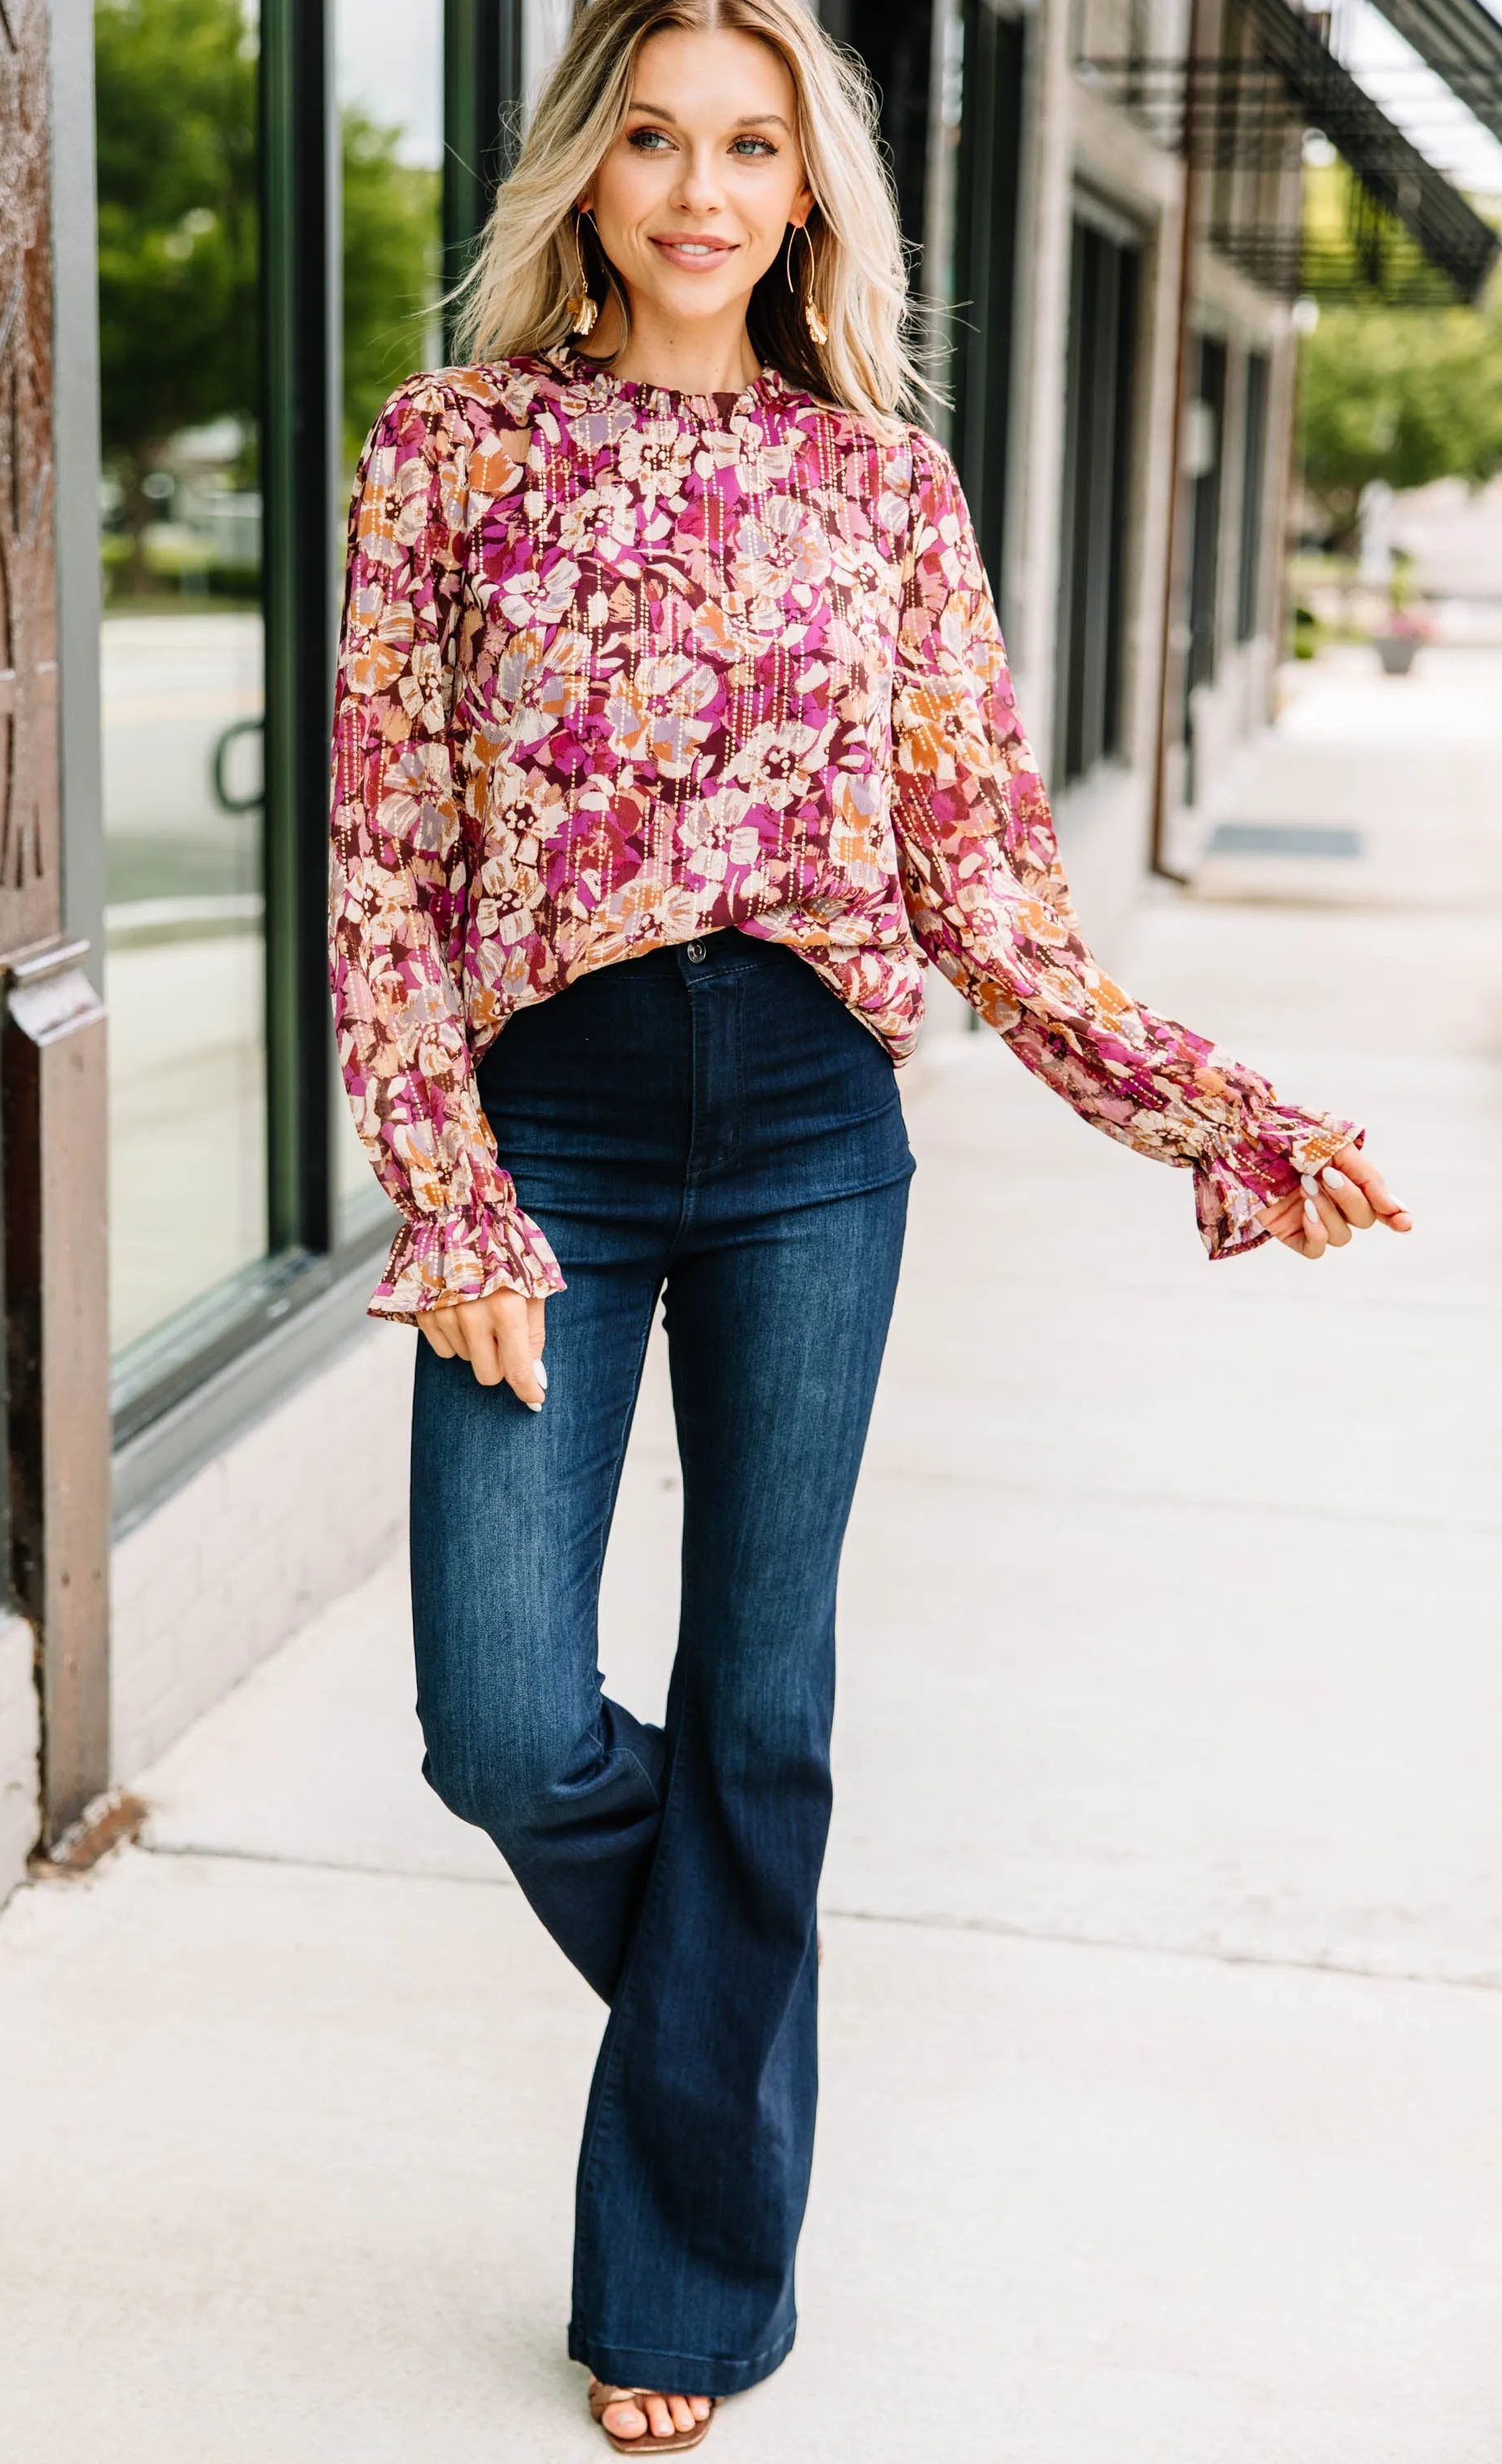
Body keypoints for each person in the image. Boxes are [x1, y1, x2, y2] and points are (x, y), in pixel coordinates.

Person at [327, 1, 1412, 2448]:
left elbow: (997, 905)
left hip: (816, 1131)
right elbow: (379, 875)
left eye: (751, 146)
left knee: (762, 1706)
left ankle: (683, 2297)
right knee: (501, 1719)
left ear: (810, 191)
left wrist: (1217, 1114)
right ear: (582, 174)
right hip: (553, 1139)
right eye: (653, 139)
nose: (703, 189)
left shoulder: (888, 493)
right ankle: (738, 2042)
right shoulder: (452, 452)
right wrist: (456, 1196)